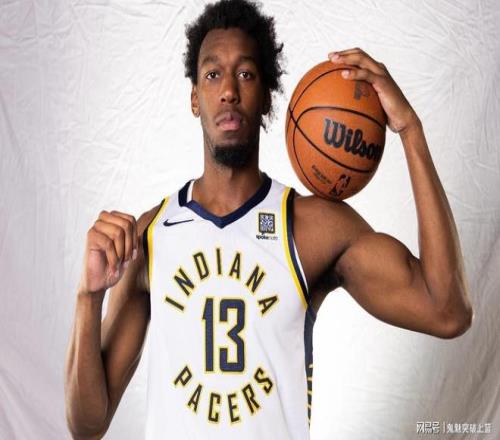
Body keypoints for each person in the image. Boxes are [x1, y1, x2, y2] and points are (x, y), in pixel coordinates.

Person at [64, 0, 473, 438]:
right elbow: (87, 426)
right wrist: (88, 298)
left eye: (245, 74)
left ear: (267, 97)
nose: (228, 91)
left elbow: (446, 311)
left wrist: (410, 130)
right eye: (212, 74)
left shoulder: (312, 227)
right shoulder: (151, 235)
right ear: (194, 99)